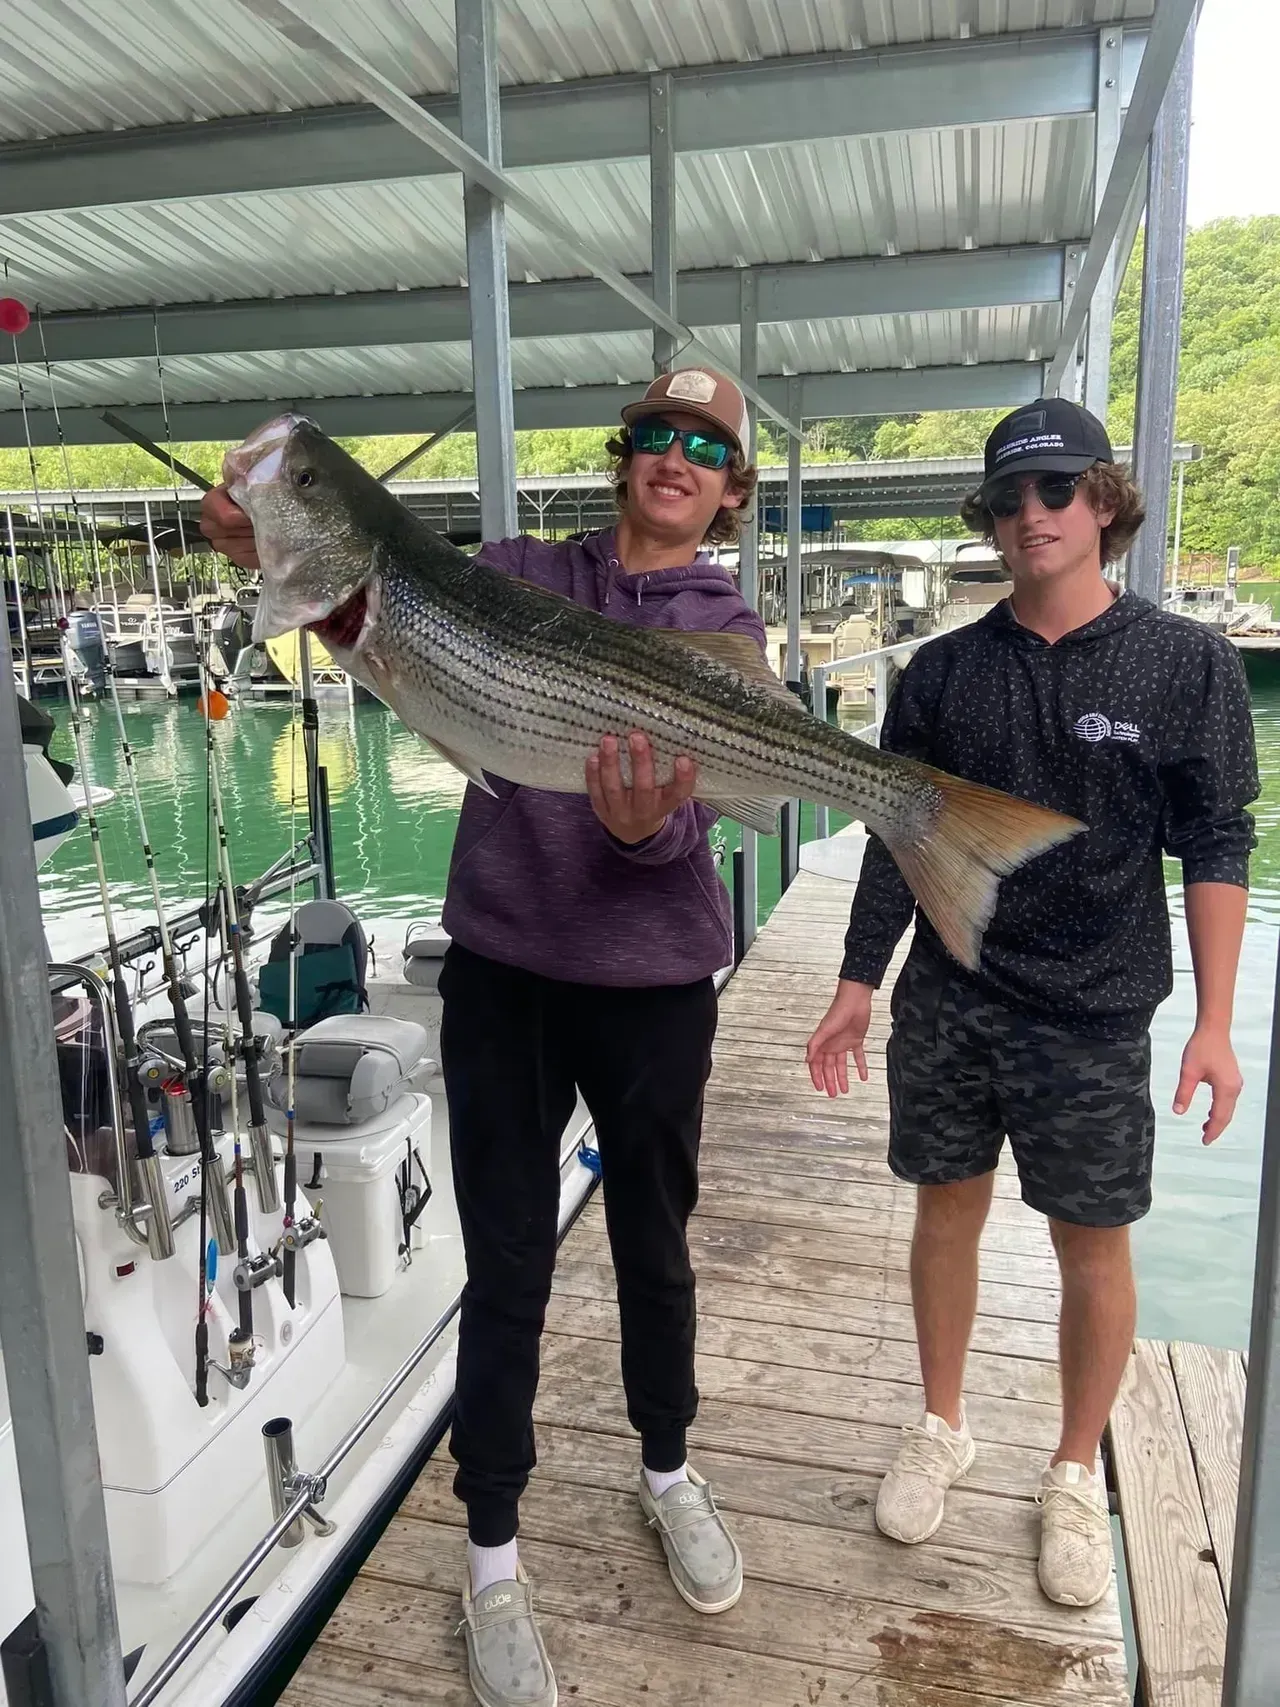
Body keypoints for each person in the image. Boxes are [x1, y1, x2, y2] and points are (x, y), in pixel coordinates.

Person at [202, 366, 758, 1707]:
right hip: (507, 969)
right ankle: (492, 1561)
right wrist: (282, 540)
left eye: (704, 445)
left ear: (729, 489)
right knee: (505, 1264)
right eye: (652, 436)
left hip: (654, 983)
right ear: (623, 457)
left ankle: (668, 1468)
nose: (673, 456)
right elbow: (389, 635)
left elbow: (697, 815)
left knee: (653, 1247)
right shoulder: (510, 573)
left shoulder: (724, 625)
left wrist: (653, 827)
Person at [804, 398, 1259, 1610]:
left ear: (1101, 504)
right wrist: (856, 983)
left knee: (1089, 1244)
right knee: (941, 1214)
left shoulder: (1187, 661)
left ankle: (1068, 1469)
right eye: (1006, 501)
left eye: (1053, 491)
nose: (1028, 517)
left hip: (1097, 1011)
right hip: (949, 1000)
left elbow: (1214, 841)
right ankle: (940, 1423)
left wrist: (1214, 1023)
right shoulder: (940, 671)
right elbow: (895, 836)